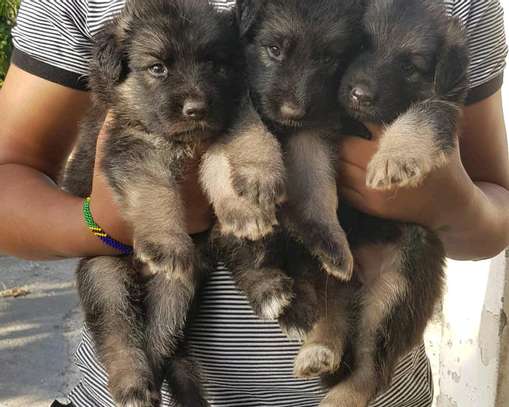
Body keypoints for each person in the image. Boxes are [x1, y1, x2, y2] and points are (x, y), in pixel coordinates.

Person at [0, 0, 507, 406]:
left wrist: (449, 205)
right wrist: (104, 225)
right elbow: (11, 172)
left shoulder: (448, 12)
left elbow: (495, 210)